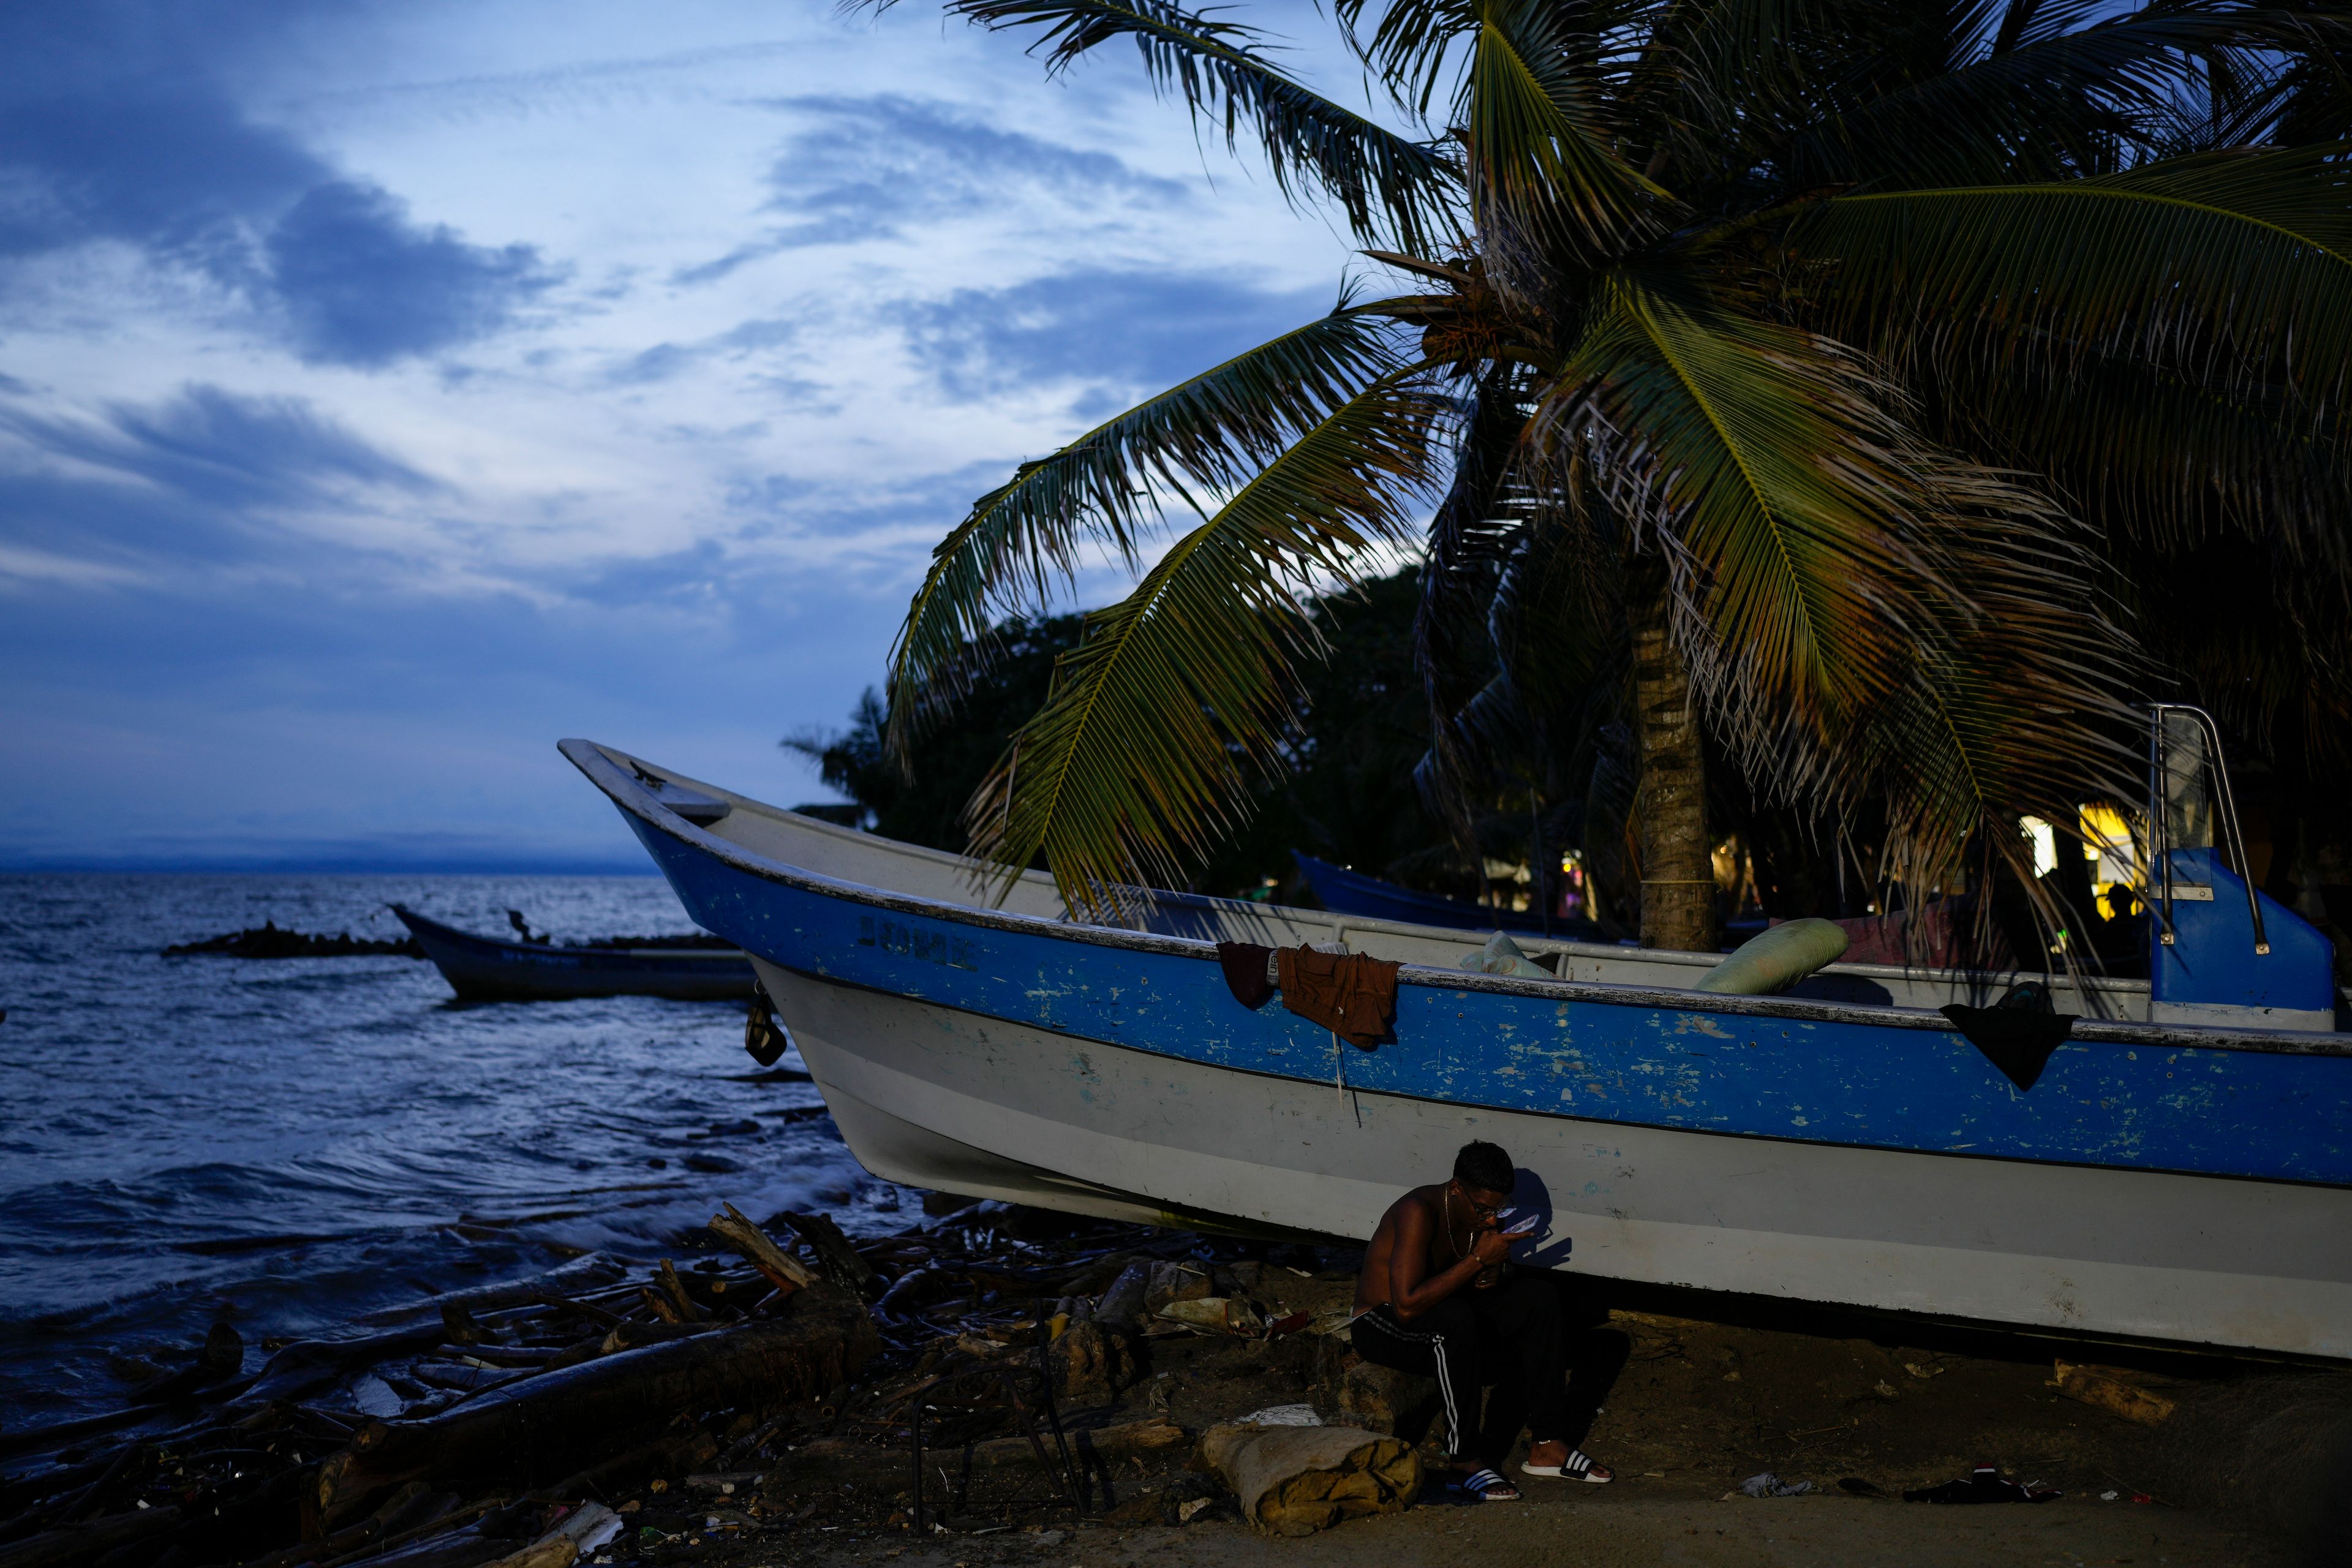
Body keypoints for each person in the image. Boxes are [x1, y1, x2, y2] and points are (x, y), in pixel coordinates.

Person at [1349, 1140, 1611, 1501]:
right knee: (1454, 1319)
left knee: (1539, 1297)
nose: (1492, 1218)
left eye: (1500, 1208)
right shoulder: (1417, 1211)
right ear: (1456, 1189)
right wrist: (1475, 1263)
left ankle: (1547, 1444)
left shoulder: (1479, 1212)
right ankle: (1463, 1460)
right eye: (1485, 1209)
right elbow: (1407, 1306)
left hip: (1444, 1310)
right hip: (1382, 1322)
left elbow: (1489, 1273)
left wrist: (1495, 1274)